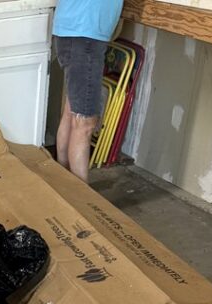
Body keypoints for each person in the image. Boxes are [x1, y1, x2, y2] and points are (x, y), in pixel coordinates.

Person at [53, 0, 124, 182]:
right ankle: (81, 200)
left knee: (72, 113)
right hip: (84, 36)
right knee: (84, 123)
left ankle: (63, 186)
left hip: (75, 31)